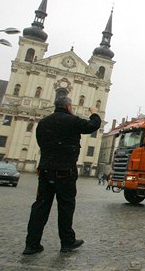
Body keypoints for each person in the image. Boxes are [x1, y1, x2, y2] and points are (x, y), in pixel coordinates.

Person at [23, 96, 101, 255]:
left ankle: (32, 244)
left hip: (45, 171)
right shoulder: (71, 121)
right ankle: (67, 241)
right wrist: (94, 113)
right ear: (68, 106)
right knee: (66, 207)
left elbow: (40, 143)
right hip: (65, 171)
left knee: (40, 206)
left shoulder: (43, 123)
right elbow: (92, 126)